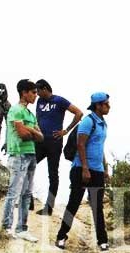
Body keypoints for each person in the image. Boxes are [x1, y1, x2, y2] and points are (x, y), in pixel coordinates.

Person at [55, 92, 111, 251]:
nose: (109, 106)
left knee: (97, 206)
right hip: (81, 169)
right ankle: (61, 237)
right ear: (98, 105)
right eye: (106, 104)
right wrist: (85, 169)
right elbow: (81, 145)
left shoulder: (103, 123)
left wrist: (105, 168)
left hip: (97, 170)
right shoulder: (88, 121)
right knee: (74, 203)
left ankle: (102, 241)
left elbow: (100, 147)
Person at [1, 79, 43, 242]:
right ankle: (6, 227)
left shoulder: (30, 114)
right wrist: (30, 131)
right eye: (33, 92)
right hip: (18, 154)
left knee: (27, 193)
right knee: (14, 192)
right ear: (24, 92)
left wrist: (30, 129)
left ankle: (21, 229)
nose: (35, 95)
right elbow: (22, 134)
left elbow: (40, 137)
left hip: (31, 154)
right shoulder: (16, 110)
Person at [34, 79, 83, 215]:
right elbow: (38, 118)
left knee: (53, 174)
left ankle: (48, 207)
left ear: (44, 89)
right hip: (40, 141)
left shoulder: (59, 100)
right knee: (29, 165)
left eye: (38, 91)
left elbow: (79, 113)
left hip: (55, 142)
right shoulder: (39, 102)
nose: (36, 94)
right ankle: (28, 200)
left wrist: (66, 130)